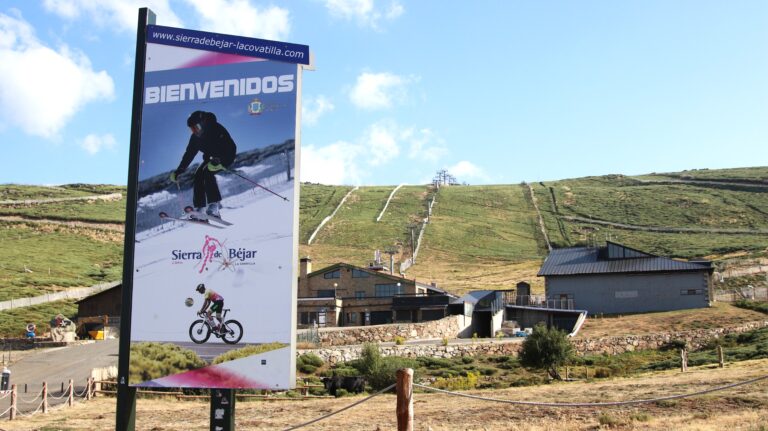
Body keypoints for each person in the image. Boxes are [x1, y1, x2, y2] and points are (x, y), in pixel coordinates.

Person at [170, 111, 237, 219]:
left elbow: (231, 147)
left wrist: (221, 161)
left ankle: (214, 206)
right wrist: (180, 170)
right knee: (198, 175)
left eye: (196, 127)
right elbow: (189, 154)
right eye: (192, 129)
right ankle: (200, 208)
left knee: (207, 173)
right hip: (210, 160)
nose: (195, 131)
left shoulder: (216, 128)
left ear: (203, 122)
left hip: (226, 156)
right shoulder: (195, 138)